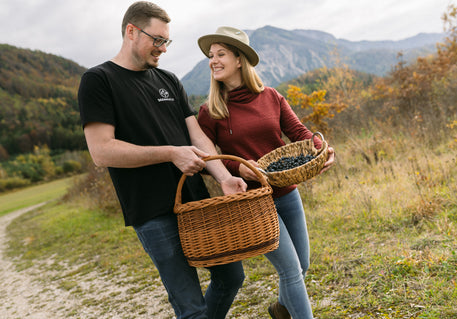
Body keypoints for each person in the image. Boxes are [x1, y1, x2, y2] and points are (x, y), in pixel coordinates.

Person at [77, 3, 248, 319]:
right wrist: (171, 153)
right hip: (152, 211)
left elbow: (197, 137)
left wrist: (222, 176)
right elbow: (102, 152)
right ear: (131, 31)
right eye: (157, 40)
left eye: (167, 41)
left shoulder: (169, 80)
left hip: (196, 203)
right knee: (190, 307)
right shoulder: (99, 80)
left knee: (232, 276)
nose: (163, 49)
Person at [196, 26, 336, 319]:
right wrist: (240, 168)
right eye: (211, 55)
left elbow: (299, 133)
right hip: (254, 201)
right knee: (290, 270)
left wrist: (321, 147)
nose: (213, 60)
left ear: (239, 60)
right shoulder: (210, 111)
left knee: (303, 264)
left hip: (287, 192)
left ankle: (281, 310)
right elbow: (210, 160)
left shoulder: (270, 96)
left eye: (221, 54)